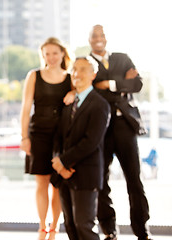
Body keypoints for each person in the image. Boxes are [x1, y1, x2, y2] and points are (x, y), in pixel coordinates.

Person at [89, 25, 152, 240]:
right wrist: (121, 84)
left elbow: (137, 84)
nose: (98, 39)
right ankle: (109, 230)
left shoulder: (122, 58)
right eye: (94, 36)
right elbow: (90, 88)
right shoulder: (86, 63)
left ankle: (142, 230)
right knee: (101, 180)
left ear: (106, 38)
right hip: (101, 128)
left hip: (126, 125)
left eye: (101, 35)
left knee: (134, 179)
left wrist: (109, 83)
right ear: (89, 40)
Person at [20, 37, 74, 240]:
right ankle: (42, 227)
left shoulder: (70, 78)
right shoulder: (34, 75)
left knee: (57, 183)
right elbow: (25, 109)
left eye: (55, 53)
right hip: (38, 134)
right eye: (47, 53)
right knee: (41, 183)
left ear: (62, 54)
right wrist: (24, 137)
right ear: (43, 55)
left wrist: (74, 92)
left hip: (61, 136)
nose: (51, 57)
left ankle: (55, 227)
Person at [51, 56, 110, 240]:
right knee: (70, 227)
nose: (77, 73)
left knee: (84, 227)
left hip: (86, 174)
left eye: (83, 69)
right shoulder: (68, 104)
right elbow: (58, 138)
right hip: (64, 176)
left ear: (93, 74)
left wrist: (63, 162)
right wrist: (58, 163)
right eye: (74, 69)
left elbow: (91, 142)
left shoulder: (100, 105)